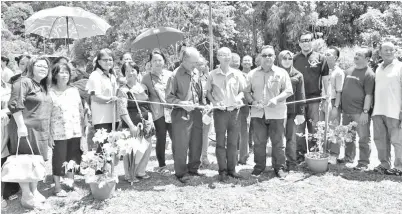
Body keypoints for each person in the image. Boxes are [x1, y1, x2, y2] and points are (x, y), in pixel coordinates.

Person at [7, 56, 52, 209]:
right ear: (31, 66)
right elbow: (15, 104)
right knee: (24, 162)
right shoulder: (23, 82)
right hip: (25, 129)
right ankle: (26, 195)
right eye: (39, 65)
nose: (43, 68)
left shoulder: (42, 85)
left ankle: (34, 190)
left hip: (40, 131)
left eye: (45, 67)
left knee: (35, 160)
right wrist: (20, 126)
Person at [245, 46, 293, 178]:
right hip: (258, 113)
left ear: (274, 57)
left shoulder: (282, 73)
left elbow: (288, 91)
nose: (267, 58)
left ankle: (279, 168)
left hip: (276, 113)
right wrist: (252, 102)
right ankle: (259, 167)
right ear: (260, 57)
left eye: (270, 55)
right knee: (259, 142)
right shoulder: (252, 74)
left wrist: (276, 99)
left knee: (278, 143)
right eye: (265, 55)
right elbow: (246, 92)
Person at [206, 47, 245, 181]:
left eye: (228, 54)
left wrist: (238, 98)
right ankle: (222, 170)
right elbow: (208, 93)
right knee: (220, 143)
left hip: (234, 113)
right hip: (220, 114)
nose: (226, 57)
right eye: (223, 55)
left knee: (233, 143)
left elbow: (242, 91)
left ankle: (232, 169)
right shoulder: (212, 74)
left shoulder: (237, 74)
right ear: (218, 57)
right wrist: (215, 103)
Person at [166, 47, 204, 183]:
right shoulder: (175, 75)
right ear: (185, 60)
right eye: (194, 62)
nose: (196, 65)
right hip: (180, 113)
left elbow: (200, 92)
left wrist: (203, 104)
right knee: (181, 144)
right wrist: (181, 103)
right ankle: (181, 173)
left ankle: (194, 168)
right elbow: (168, 98)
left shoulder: (195, 72)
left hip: (196, 112)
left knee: (196, 141)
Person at [293, 30, 329, 163]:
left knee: (314, 129)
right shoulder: (294, 59)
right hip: (298, 101)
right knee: (299, 130)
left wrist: (327, 98)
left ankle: (313, 156)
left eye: (308, 40)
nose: (306, 43)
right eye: (303, 41)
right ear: (299, 43)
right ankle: (300, 157)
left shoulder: (321, 58)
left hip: (315, 100)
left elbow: (325, 80)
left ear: (312, 42)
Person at [49, 63, 84, 196]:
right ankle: (57, 186)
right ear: (55, 75)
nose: (64, 75)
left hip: (75, 130)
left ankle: (70, 182)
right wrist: (49, 134)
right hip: (58, 132)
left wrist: (83, 130)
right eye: (61, 72)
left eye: (67, 72)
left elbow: (80, 110)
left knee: (73, 157)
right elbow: (47, 114)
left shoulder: (74, 90)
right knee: (59, 158)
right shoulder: (50, 91)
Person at [338, 47, 375, 170]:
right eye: (356, 54)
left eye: (359, 54)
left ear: (367, 58)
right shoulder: (348, 71)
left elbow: (369, 95)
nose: (356, 56)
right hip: (346, 111)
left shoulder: (369, 74)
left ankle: (363, 162)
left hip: (360, 112)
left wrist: (365, 112)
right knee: (348, 136)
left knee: (363, 138)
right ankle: (348, 157)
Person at [117, 62, 153, 183]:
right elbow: (122, 110)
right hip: (131, 125)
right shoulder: (123, 90)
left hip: (145, 123)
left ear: (137, 71)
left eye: (132, 70)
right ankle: (129, 175)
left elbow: (148, 105)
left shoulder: (143, 87)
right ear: (124, 74)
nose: (130, 73)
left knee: (146, 148)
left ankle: (140, 171)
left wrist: (150, 119)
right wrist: (131, 126)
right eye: (126, 71)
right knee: (131, 151)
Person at [85, 48, 119, 173]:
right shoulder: (95, 75)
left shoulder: (111, 75)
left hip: (113, 117)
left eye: (110, 59)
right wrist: (111, 99)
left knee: (110, 147)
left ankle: (107, 174)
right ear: (98, 61)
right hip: (101, 118)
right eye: (104, 60)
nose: (108, 62)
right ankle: (98, 174)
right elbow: (95, 97)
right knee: (102, 146)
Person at [372, 42, 402, 175]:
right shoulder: (378, 68)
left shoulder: (400, 67)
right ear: (380, 52)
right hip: (378, 110)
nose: (389, 52)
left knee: (397, 140)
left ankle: (399, 167)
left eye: (391, 50)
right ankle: (384, 164)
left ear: (395, 51)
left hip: (394, 110)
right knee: (380, 139)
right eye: (386, 50)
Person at [141, 50, 173, 175]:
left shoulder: (170, 75)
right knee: (161, 138)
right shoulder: (146, 78)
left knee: (175, 137)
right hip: (158, 113)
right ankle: (162, 165)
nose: (157, 63)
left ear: (164, 61)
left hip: (171, 111)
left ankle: (178, 162)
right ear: (150, 63)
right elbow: (143, 94)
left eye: (160, 60)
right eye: (154, 60)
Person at [277, 50, 306, 171]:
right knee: (277, 139)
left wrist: (300, 112)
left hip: (291, 112)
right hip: (277, 111)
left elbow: (301, 94)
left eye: (290, 58)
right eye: (284, 58)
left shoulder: (298, 75)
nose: (287, 61)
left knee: (291, 138)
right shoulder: (274, 73)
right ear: (279, 59)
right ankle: (279, 163)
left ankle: (291, 162)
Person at [318, 47, 345, 164]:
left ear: (336, 57)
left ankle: (334, 154)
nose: (326, 55)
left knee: (334, 129)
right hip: (322, 101)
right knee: (322, 128)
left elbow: (339, 91)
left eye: (329, 54)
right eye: (326, 53)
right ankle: (324, 152)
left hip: (333, 101)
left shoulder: (338, 72)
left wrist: (335, 107)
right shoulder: (322, 69)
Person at [1, 67, 20, 208]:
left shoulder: (8, 87)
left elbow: (13, 105)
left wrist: (3, 111)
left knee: (5, 159)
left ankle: (8, 190)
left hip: (6, 127)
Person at [231, 53, 249, 165]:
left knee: (244, 132)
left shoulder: (245, 75)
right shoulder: (223, 74)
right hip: (228, 108)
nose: (236, 62)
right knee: (232, 133)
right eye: (234, 60)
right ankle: (232, 157)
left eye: (238, 60)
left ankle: (243, 158)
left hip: (243, 107)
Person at [196, 56, 212, 167]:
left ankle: (204, 157)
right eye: (198, 63)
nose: (200, 66)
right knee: (194, 135)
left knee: (205, 134)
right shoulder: (190, 76)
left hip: (207, 109)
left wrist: (210, 105)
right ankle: (195, 158)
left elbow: (212, 92)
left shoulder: (209, 77)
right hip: (194, 109)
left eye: (202, 64)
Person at [242, 55, 254, 152]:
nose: (247, 62)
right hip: (243, 102)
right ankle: (243, 145)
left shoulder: (255, 74)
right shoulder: (238, 74)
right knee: (245, 123)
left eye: (249, 61)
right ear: (241, 63)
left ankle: (251, 143)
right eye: (245, 61)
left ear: (252, 63)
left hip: (254, 102)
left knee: (254, 123)